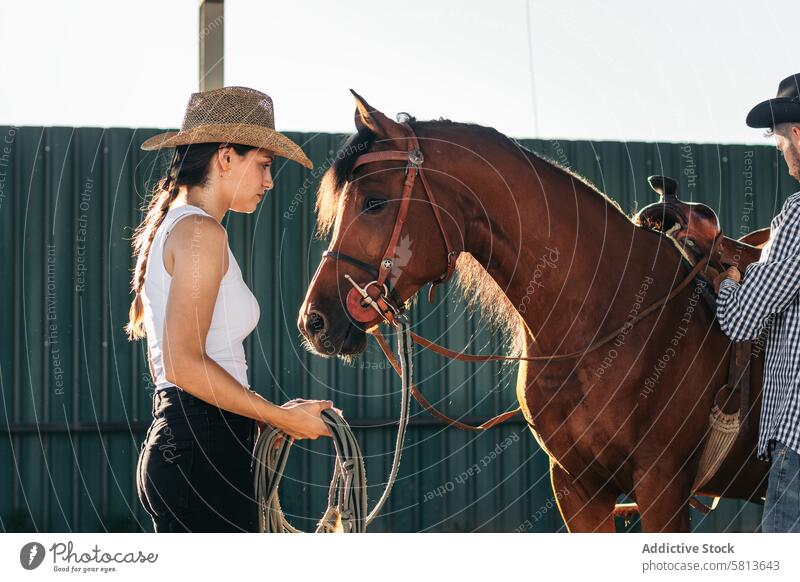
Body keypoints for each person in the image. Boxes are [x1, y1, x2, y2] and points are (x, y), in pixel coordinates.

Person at [127, 86, 335, 532]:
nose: (269, 181)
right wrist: (280, 418)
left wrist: (259, 414)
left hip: (200, 445)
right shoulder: (202, 234)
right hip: (202, 453)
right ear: (225, 157)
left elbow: (194, 364)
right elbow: (184, 365)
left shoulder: (188, 228)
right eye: (262, 164)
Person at [714, 73, 800, 533]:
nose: (783, 154)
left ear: (799, 134)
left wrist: (728, 280)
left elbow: (743, 319)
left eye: (780, 142)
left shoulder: (798, 216)